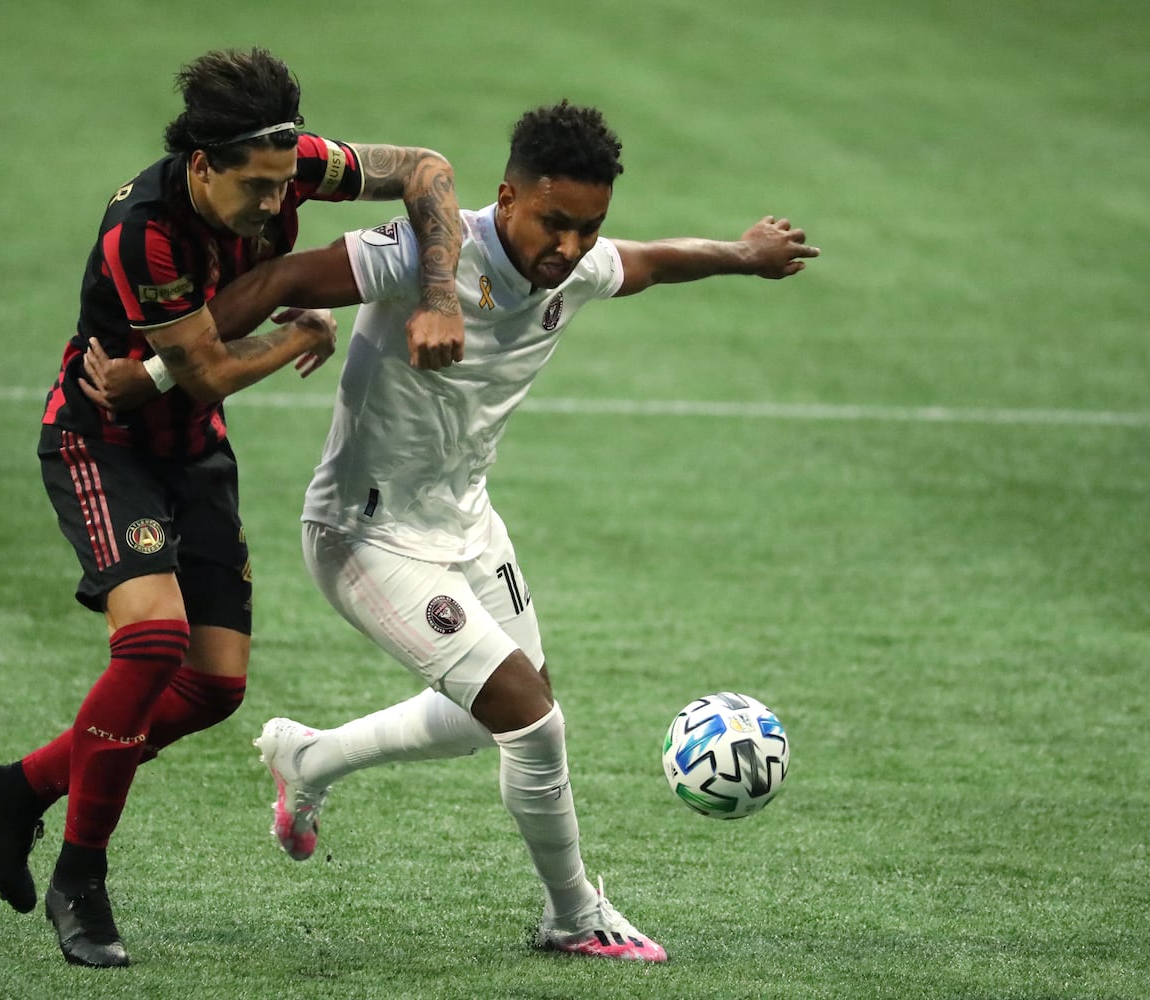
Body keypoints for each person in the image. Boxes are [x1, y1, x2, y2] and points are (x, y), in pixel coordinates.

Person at [95, 100, 818, 963]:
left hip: (469, 525)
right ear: (507, 197)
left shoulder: (575, 271)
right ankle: (576, 915)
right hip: (364, 536)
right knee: (533, 722)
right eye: (555, 223)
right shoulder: (426, 255)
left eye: (588, 229)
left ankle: (310, 761)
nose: (570, 248)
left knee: (499, 715)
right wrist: (157, 368)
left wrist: (749, 254)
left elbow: (654, 261)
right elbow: (283, 282)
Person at [0, 47, 466, 969]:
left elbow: (426, 170)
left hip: (191, 453)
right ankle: (81, 879)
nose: (276, 204)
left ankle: (20, 790)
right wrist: (300, 329)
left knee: (214, 688)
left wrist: (435, 291)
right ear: (202, 165)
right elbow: (210, 372)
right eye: (256, 189)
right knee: (151, 645)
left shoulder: (291, 160)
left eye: (283, 184)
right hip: (102, 445)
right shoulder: (143, 234)